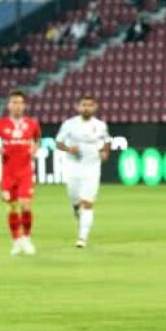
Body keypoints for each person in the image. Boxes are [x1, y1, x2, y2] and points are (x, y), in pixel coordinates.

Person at [0, 90, 42, 255]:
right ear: (8, 105)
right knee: (12, 208)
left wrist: (34, 149)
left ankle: (27, 238)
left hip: (25, 172)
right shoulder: (0, 124)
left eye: (20, 102)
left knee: (26, 204)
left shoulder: (32, 124)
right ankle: (16, 240)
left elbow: (38, 139)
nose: (17, 105)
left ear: (24, 105)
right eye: (13, 102)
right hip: (8, 173)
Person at [54, 95, 111, 248]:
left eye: (89, 105)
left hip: (92, 168)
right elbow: (58, 142)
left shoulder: (100, 125)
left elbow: (107, 142)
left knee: (87, 203)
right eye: (84, 105)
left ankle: (82, 238)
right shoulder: (69, 124)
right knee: (76, 202)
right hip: (73, 168)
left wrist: (105, 153)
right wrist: (68, 149)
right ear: (78, 107)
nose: (86, 108)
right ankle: (76, 210)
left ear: (95, 107)